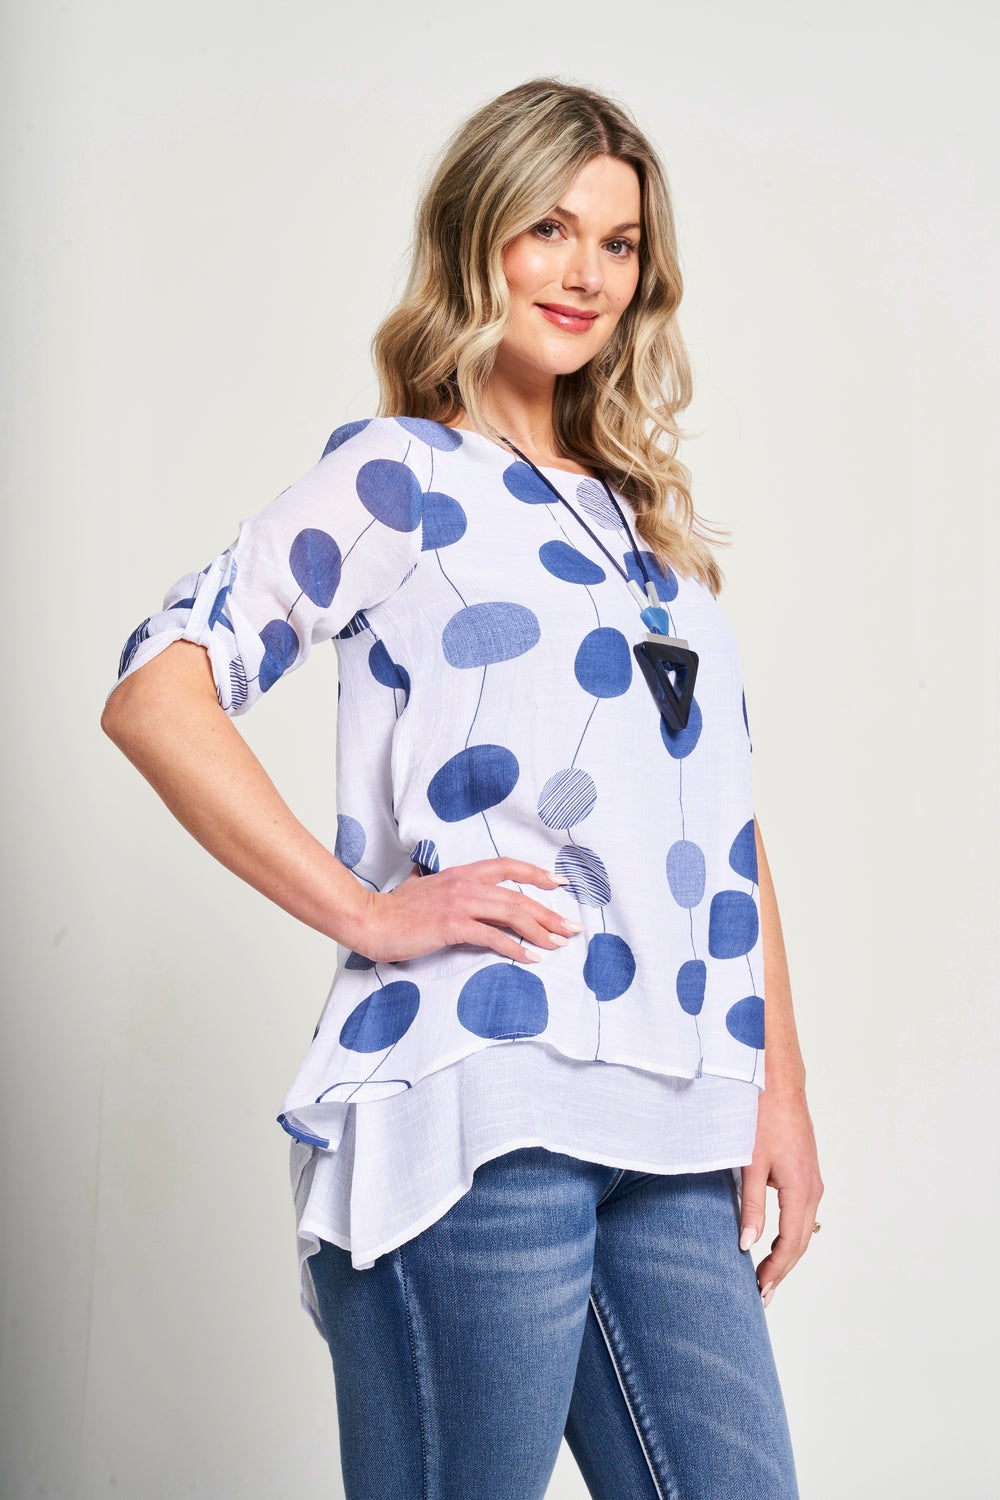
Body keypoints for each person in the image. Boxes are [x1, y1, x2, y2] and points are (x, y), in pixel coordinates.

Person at [103, 78, 823, 1500]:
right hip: (483, 1107)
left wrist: (777, 1095)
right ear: (476, 235)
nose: (585, 272)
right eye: (549, 228)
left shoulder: (647, 530)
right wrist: (369, 912)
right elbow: (158, 690)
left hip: (675, 1126)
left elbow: (724, 824)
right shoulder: (402, 478)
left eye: (618, 243)